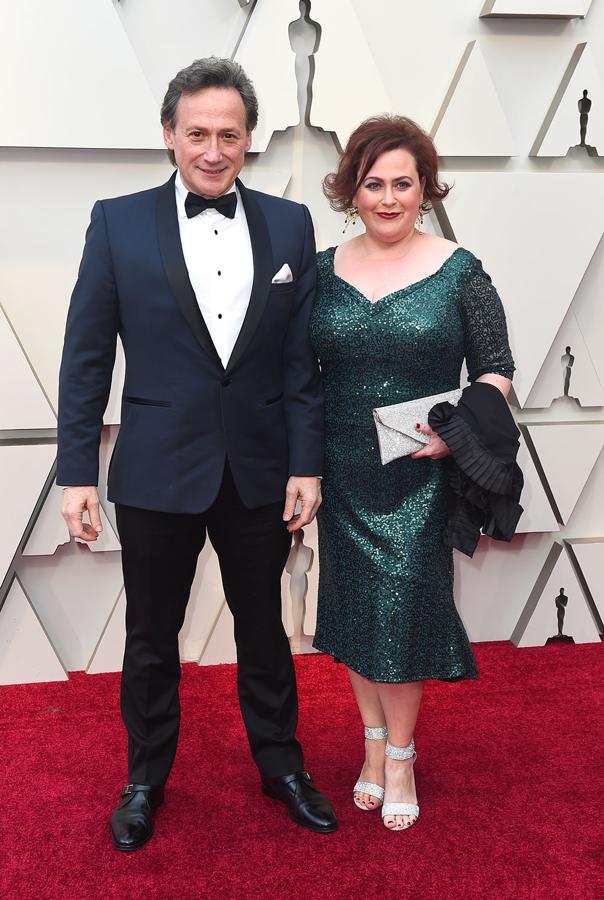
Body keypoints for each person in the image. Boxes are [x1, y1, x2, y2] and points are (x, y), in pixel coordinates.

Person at [57, 56, 337, 850]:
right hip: (155, 469)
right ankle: (145, 777)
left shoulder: (289, 225)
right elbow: (86, 357)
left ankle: (283, 766)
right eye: (197, 134)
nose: (212, 150)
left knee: (265, 631)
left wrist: (306, 463)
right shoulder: (116, 220)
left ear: (250, 140)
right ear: (169, 136)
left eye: (229, 135)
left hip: (260, 468)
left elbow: (299, 364)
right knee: (151, 636)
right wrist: (78, 470)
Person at [310, 115, 516, 832]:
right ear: (351, 191)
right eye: (374, 184)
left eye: (404, 183)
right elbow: (298, 374)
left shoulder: (460, 268)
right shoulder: (319, 269)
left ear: (425, 188)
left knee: (400, 616)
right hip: (340, 472)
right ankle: (371, 747)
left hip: (420, 475)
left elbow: (497, 373)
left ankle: (401, 756)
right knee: (353, 615)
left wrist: (454, 435)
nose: (389, 198)